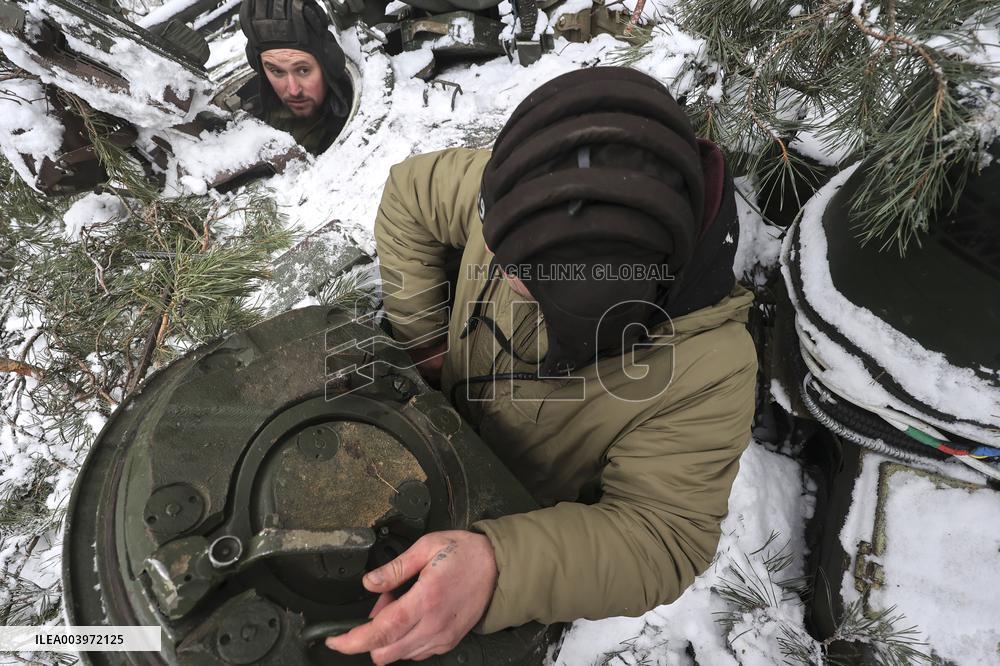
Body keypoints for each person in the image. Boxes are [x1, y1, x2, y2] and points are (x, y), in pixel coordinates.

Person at [326, 67, 757, 664]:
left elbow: (664, 537)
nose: (491, 263)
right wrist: (425, 348)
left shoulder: (709, 370)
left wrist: (500, 567)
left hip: (518, 513)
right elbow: (410, 197)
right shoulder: (528, 199)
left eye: (519, 276)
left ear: (594, 307)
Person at [239, 0, 353, 155]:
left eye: (303, 70)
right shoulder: (251, 123)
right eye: (277, 72)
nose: (293, 90)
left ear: (327, 62)